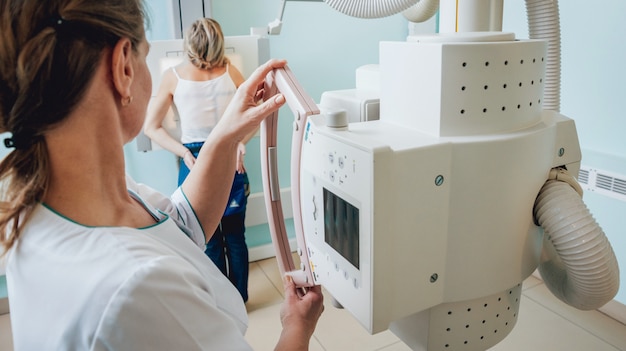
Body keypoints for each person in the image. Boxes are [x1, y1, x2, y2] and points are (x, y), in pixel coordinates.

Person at [0, 0, 324, 350]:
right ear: (124, 66)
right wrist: (297, 324)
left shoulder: (38, 208)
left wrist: (227, 132)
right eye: (144, 56)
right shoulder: (140, 289)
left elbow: (181, 225)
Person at [144, 17, 252, 302]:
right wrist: (240, 142)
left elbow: (150, 127)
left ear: (188, 44)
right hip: (229, 156)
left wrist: (183, 152)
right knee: (236, 237)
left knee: (207, 239)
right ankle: (240, 300)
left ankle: (222, 302)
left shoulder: (173, 75)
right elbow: (255, 113)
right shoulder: (232, 71)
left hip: (194, 162)